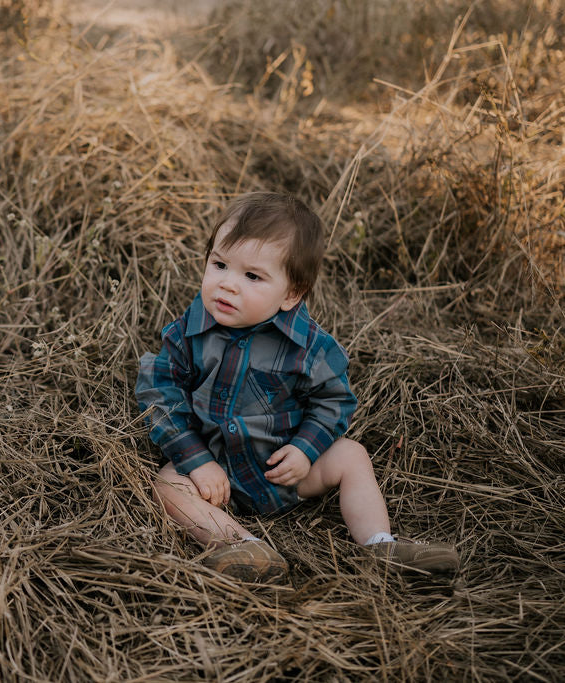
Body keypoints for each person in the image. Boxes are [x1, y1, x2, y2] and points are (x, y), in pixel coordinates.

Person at [136, 192, 459, 583]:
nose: (227, 285)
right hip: (215, 472)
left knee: (352, 456)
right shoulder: (188, 333)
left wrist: (305, 450)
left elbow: (334, 402)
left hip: (283, 470)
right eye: (219, 264)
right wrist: (197, 460)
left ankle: (379, 545)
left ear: (292, 293)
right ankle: (238, 545)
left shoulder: (309, 347)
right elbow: (161, 391)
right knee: (168, 483)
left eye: (252, 276)